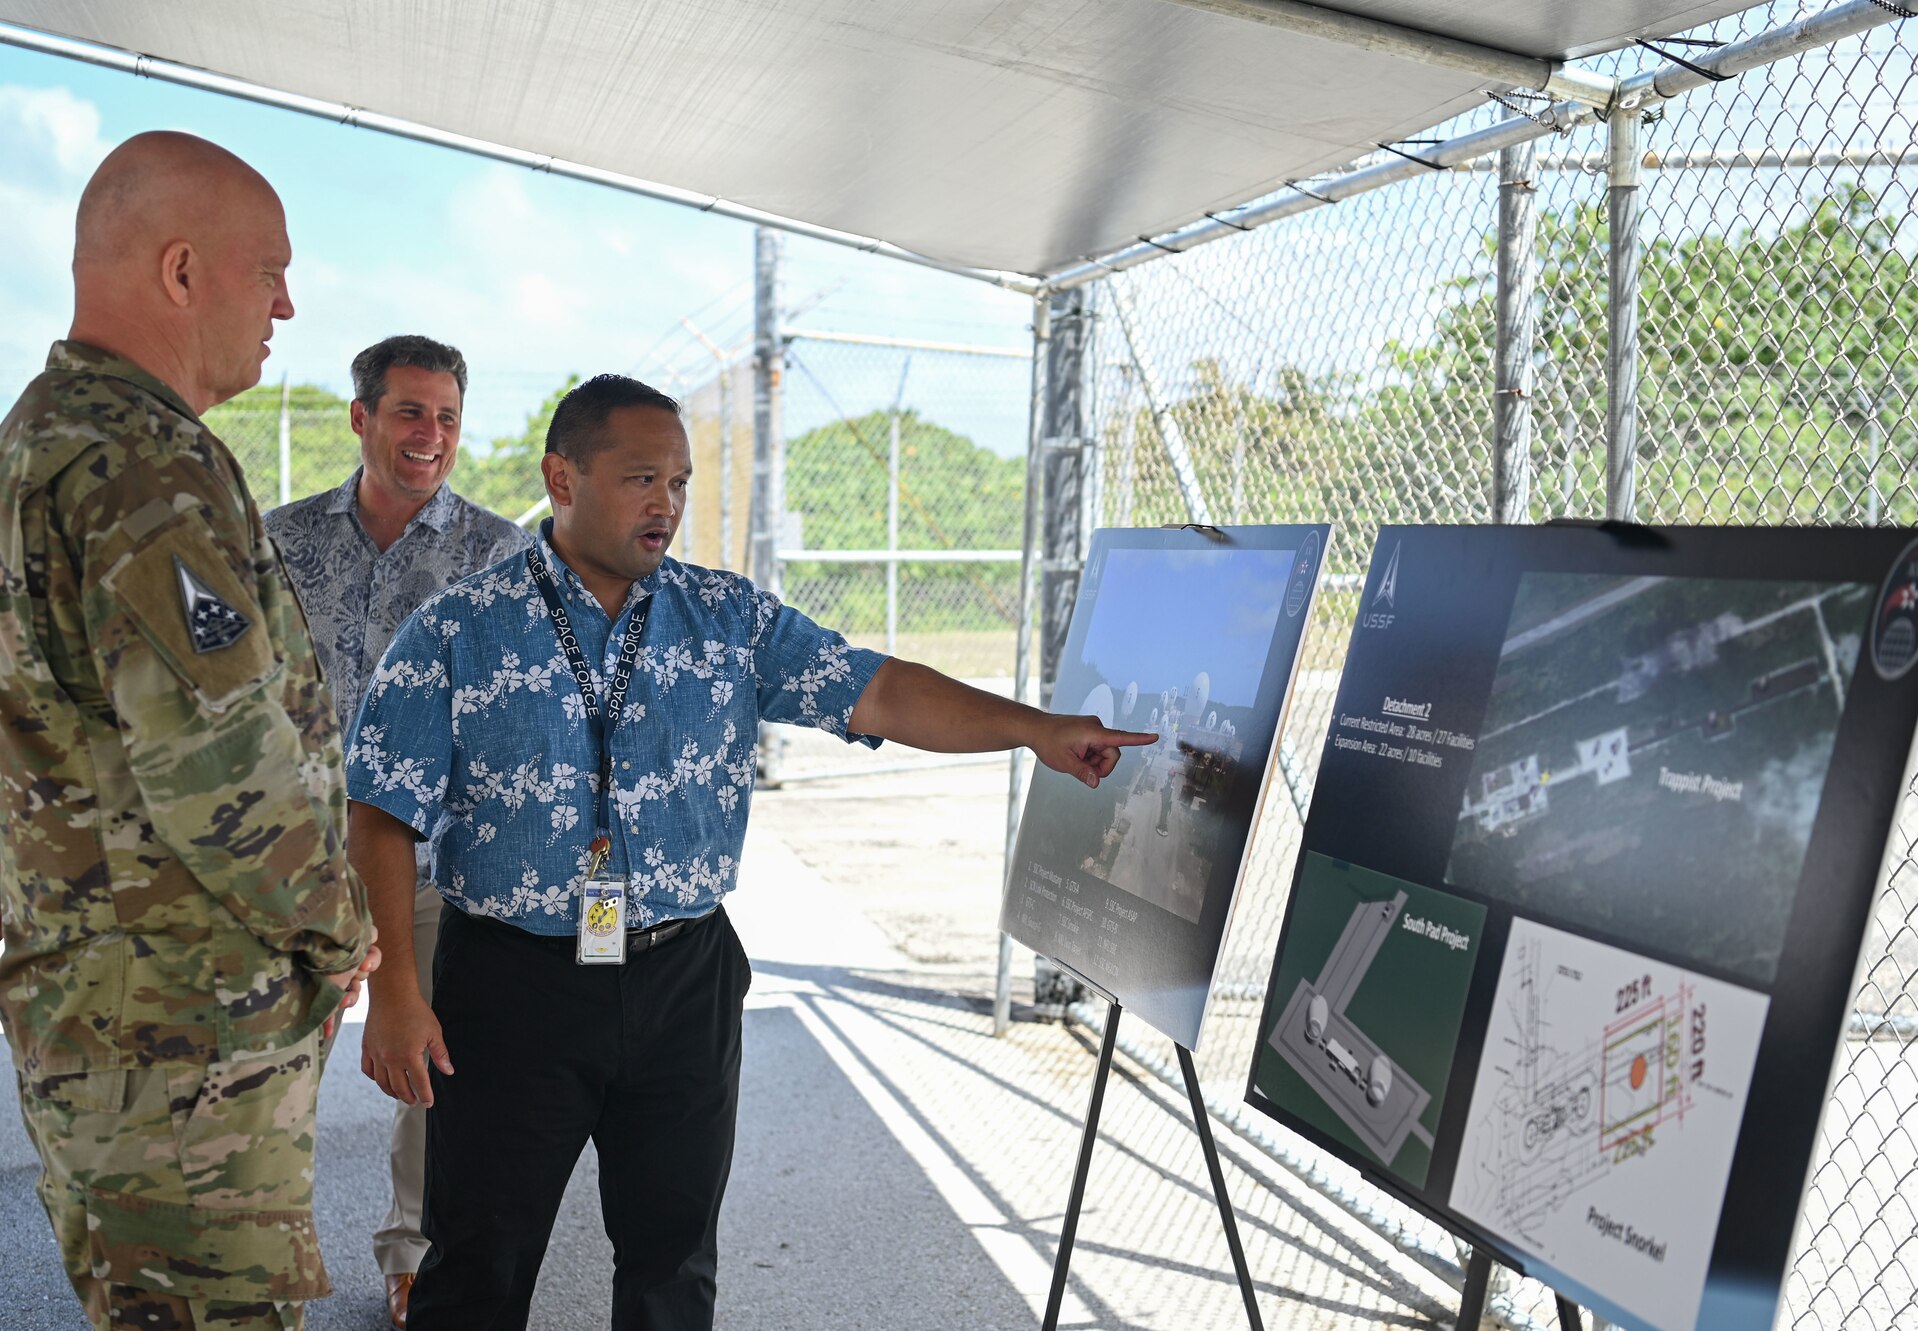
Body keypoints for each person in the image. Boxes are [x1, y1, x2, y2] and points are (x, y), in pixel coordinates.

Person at [346, 373, 1152, 1330]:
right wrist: (396, 989)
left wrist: (1035, 729)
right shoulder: (459, 628)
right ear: (562, 477)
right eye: (642, 478)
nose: (668, 504)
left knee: (674, 1261)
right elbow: (380, 811)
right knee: (478, 1262)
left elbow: (878, 691)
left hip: (682, 979)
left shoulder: (727, 618)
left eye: (680, 482)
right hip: (513, 987)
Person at [0, 131, 379, 1331]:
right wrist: (343, 924)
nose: (287, 303)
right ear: (179, 272)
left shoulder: (49, 435)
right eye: (267, 269)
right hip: (178, 1045)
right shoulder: (137, 463)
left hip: (115, 1018)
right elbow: (224, 771)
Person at [266, 333, 531, 1328]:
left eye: (448, 417)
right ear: (362, 417)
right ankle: (261, 1250)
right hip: (291, 861)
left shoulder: (501, 554)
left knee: (431, 1064)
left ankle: (411, 1252)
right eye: (411, 412)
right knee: (271, 1070)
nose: (431, 435)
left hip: (435, 861)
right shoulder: (277, 540)